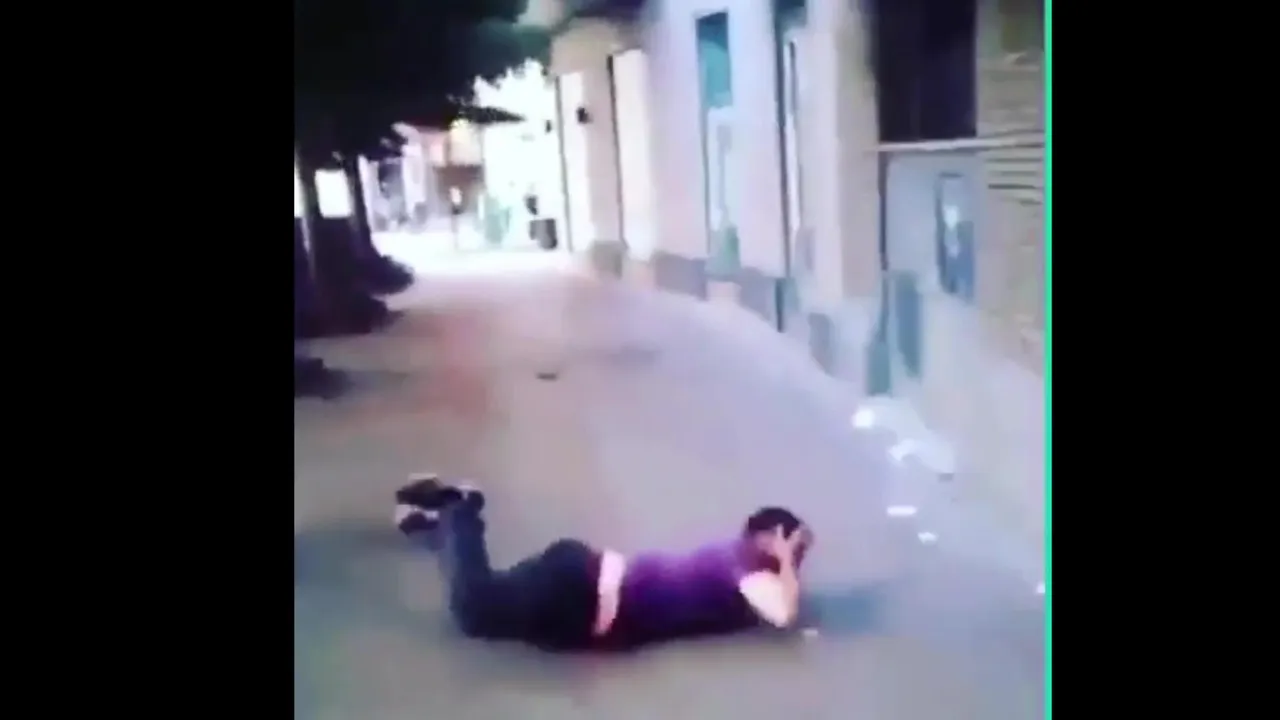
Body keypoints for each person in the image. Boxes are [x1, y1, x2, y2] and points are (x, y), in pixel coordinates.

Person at [393, 474, 815, 651]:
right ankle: (459, 507)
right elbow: (785, 615)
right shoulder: (743, 568)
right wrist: (784, 560)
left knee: (485, 600)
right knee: (476, 610)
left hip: (580, 586)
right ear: (768, 540)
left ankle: (438, 527)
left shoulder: (732, 561)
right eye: (795, 546)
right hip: (581, 592)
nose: (799, 558)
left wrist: (784, 561)